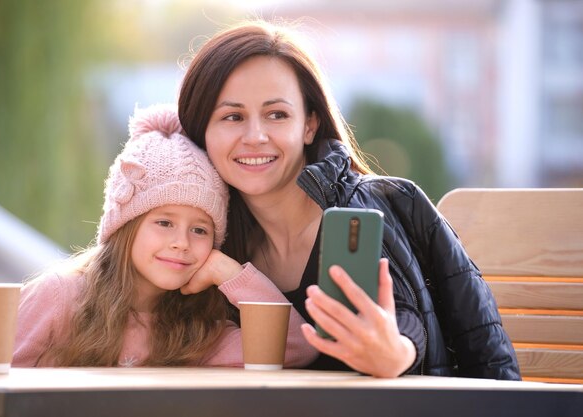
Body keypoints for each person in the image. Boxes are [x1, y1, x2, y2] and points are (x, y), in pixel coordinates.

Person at [177, 20, 521, 379]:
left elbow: (443, 337)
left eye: (276, 114)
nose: (256, 136)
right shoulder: (202, 236)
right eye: (233, 116)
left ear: (309, 124)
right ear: (202, 130)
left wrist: (397, 354)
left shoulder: (385, 205)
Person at [12, 104, 318, 368]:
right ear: (126, 225)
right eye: (164, 223)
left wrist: (231, 274)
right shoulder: (59, 297)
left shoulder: (200, 332)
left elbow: (297, 348)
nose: (181, 243)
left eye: (200, 230)